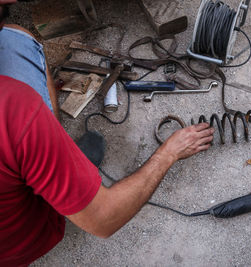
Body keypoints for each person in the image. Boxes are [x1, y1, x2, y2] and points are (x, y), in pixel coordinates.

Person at [0, 1, 215, 265]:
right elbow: (104, 219)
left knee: (15, 38)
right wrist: (168, 153)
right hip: (20, 245)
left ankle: (52, 157)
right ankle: (52, 166)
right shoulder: (14, 107)